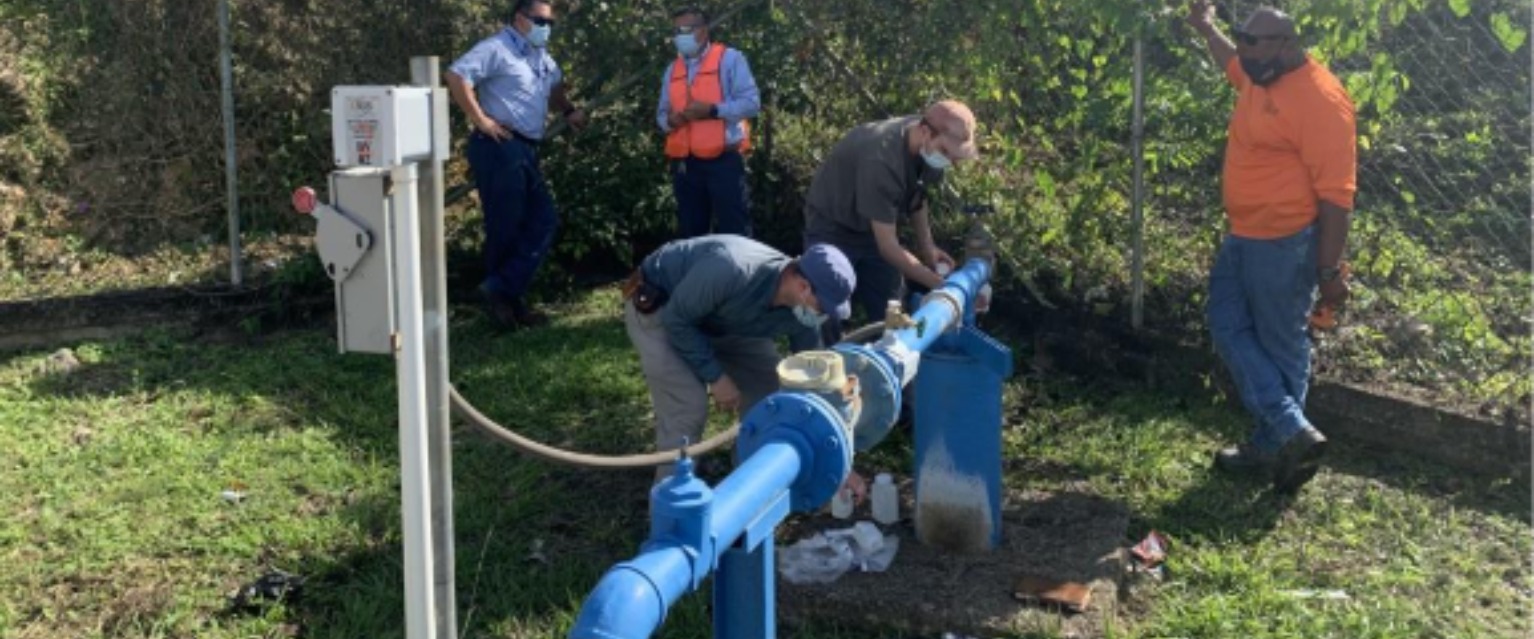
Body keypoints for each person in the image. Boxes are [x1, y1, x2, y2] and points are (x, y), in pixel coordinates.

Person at [1186, 2, 1355, 493]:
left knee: (1282, 347)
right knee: (1226, 322)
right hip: (1244, 234)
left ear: (1286, 43)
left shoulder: (1322, 100)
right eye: (1243, 41)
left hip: (1286, 244)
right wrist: (1205, 26)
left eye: (1254, 44)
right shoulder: (1260, 74)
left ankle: (1278, 443)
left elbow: (1337, 196)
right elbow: (1231, 65)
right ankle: (1288, 430)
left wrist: (1328, 272)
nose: (1245, 53)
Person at [622, 235, 853, 483]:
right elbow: (677, 320)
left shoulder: (803, 312)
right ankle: (672, 503)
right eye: (824, 307)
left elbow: (811, 373)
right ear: (803, 287)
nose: (825, 316)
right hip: (661, 307)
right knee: (688, 406)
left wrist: (837, 458)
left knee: (769, 391)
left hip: (722, 319)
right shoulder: (732, 268)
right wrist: (717, 378)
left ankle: (749, 477)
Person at [446, 0, 589, 330]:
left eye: (550, 22)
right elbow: (456, 75)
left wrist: (568, 110)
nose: (546, 27)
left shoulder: (541, 57)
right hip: (499, 145)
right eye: (539, 20)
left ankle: (503, 290)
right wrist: (480, 120)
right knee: (506, 225)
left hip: (525, 148)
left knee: (542, 220)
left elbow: (552, 90)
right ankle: (506, 305)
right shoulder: (497, 48)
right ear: (518, 19)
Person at [800, 100, 979, 343]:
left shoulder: (928, 147)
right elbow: (888, 247)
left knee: (891, 308)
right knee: (823, 307)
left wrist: (928, 247)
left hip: (873, 229)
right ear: (925, 131)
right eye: (947, 152)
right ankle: (824, 369)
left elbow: (917, 197)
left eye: (956, 155)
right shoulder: (882, 159)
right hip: (833, 226)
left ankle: (889, 366)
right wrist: (937, 284)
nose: (951, 161)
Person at [655, 6, 761, 238]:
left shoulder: (730, 60)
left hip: (724, 161)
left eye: (684, 30)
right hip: (685, 165)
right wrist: (672, 121)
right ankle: (698, 274)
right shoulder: (672, 70)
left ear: (702, 31)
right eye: (675, 31)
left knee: (735, 232)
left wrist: (712, 110)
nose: (678, 37)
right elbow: (661, 117)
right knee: (691, 233)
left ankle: (739, 275)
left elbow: (751, 104)